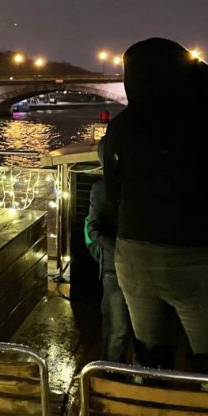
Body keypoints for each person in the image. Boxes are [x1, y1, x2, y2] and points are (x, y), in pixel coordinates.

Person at [104, 37, 208, 379]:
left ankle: (152, 413)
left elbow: (113, 191)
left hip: (134, 253)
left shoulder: (122, 125)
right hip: (198, 257)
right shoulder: (206, 124)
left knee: (149, 354)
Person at [86, 137, 133, 362]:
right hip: (115, 269)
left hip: (136, 268)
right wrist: (123, 250)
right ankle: (109, 378)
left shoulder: (141, 186)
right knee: (117, 331)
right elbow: (94, 230)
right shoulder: (101, 189)